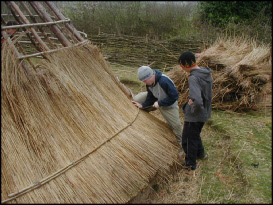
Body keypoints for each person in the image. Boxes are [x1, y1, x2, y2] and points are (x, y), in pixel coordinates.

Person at [131, 66, 183, 148]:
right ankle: (146, 111)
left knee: (176, 125)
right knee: (138, 99)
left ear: (151, 76)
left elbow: (174, 96)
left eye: (145, 80)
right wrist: (142, 105)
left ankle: (181, 144)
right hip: (158, 99)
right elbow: (151, 97)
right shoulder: (149, 83)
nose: (144, 83)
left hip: (169, 105)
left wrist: (160, 103)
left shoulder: (164, 81)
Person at [178, 51, 213, 170]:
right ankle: (201, 154)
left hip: (196, 115)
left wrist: (192, 108)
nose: (181, 68)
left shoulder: (193, 78)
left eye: (181, 65)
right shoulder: (205, 73)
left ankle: (190, 164)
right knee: (195, 135)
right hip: (205, 112)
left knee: (188, 139)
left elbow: (197, 100)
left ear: (185, 65)